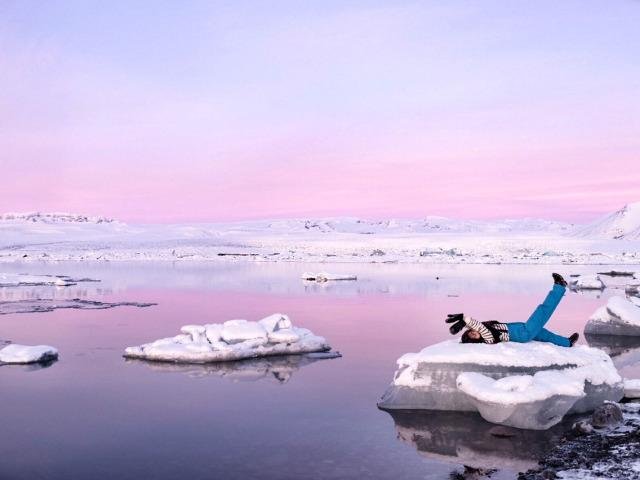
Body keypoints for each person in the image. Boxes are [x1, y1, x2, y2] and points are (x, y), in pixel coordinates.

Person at [446, 273, 579, 347]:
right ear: (477, 341)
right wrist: (464, 321)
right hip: (524, 334)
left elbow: (478, 326)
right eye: (474, 336)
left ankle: (567, 343)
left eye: (471, 332)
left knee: (546, 335)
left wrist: (462, 319)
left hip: (522, 328)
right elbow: (480, 328)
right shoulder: (488, 338)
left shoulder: (485, 330)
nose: (475, 333)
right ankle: (559, 287)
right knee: (543, 310)